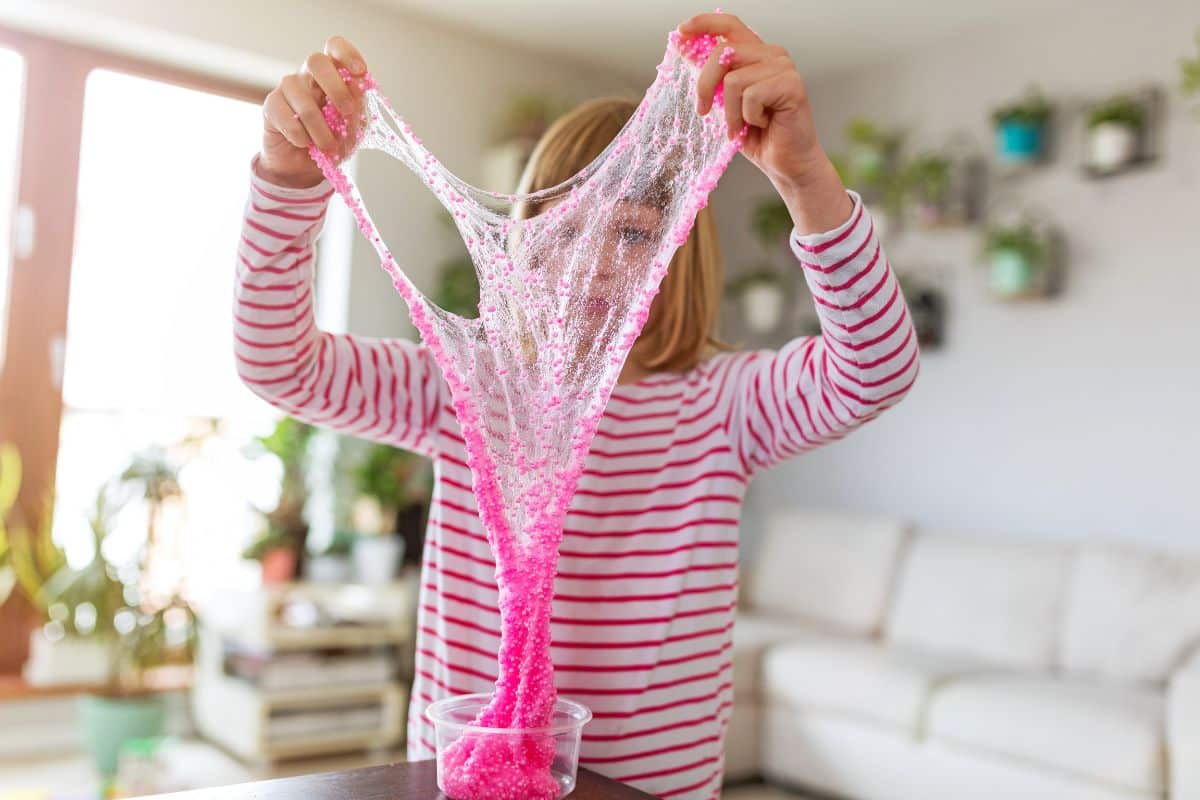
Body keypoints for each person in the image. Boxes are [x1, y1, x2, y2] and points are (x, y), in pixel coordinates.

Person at [235, 12, 918, 799]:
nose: (590, 264)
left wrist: (804, 176)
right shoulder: (460, 387)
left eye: (630, 234)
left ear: (676, 254)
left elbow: (878, 367)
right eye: (566, 231)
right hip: (463, 780)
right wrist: (287, 183)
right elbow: (276, 361)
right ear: (519, 242)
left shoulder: (725, 407)